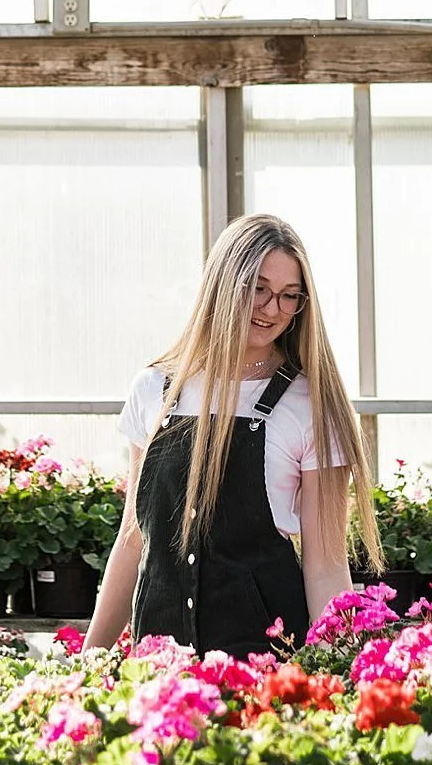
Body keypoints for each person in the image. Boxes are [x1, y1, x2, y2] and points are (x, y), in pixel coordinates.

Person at [83, 213, 382, 657]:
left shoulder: (309, 405)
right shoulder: (155, 391)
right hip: (159, 666)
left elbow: (325, 566)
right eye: (257, 289)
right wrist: (89, 661)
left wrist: (341, 672)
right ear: (223, 282)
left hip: (264, 664)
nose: (272, 309)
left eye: (289, 296)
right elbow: (133, 538)